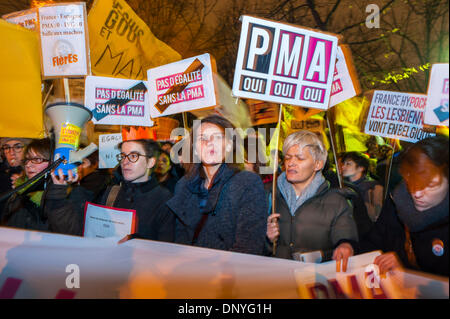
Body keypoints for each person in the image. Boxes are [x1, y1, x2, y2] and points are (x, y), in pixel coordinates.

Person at [165, 115, 268, 255]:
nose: (209, 143)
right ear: (194, 149)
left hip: (230, 273)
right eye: (202, 138)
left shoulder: (248, 183)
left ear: (230, 145)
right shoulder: (184, 185)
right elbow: (180, 240)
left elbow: (249, 246)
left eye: (218, 137)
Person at [45, 139, 174, 242]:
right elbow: (77, 232)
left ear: (150, 162)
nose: (125, 162)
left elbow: (168, 251)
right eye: (123, 156)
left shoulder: (165, 200)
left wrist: (137, 243)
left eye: (133, 156)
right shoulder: (111, 192)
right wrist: (58, 192)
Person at [358, 135, 449, 277]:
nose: (416, 193)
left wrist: (406, 267)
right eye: (411, 180)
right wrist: (348, 246)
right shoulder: (396, 201)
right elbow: (373, 241)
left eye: (430, 185)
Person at [266, 130, 358, 270]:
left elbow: (346, 237)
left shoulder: (336, 201)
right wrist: (267, 239)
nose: (291, 163)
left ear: (318, 165)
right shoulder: (269, 195)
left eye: (300, 158)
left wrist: (345, 246)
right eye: (288, 157)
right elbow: (248, 247)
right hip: (276, 278)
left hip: (316, 280)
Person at [1, 138, 51, 230]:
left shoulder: (59, 195)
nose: (28, 165)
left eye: (37, 159)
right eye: (27, 160)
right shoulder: (19, 191)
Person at [341, 152, 384, 222]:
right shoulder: (342, 185)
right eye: (344, 163)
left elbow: (376, 215)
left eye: (348, 164)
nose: (343, 167)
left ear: (361, 168)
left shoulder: (373, 187)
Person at [0, 138, 31, 212]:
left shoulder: (36, 172)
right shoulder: (2, 172)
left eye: (17, 147)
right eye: (7, 147)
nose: (11, 153)